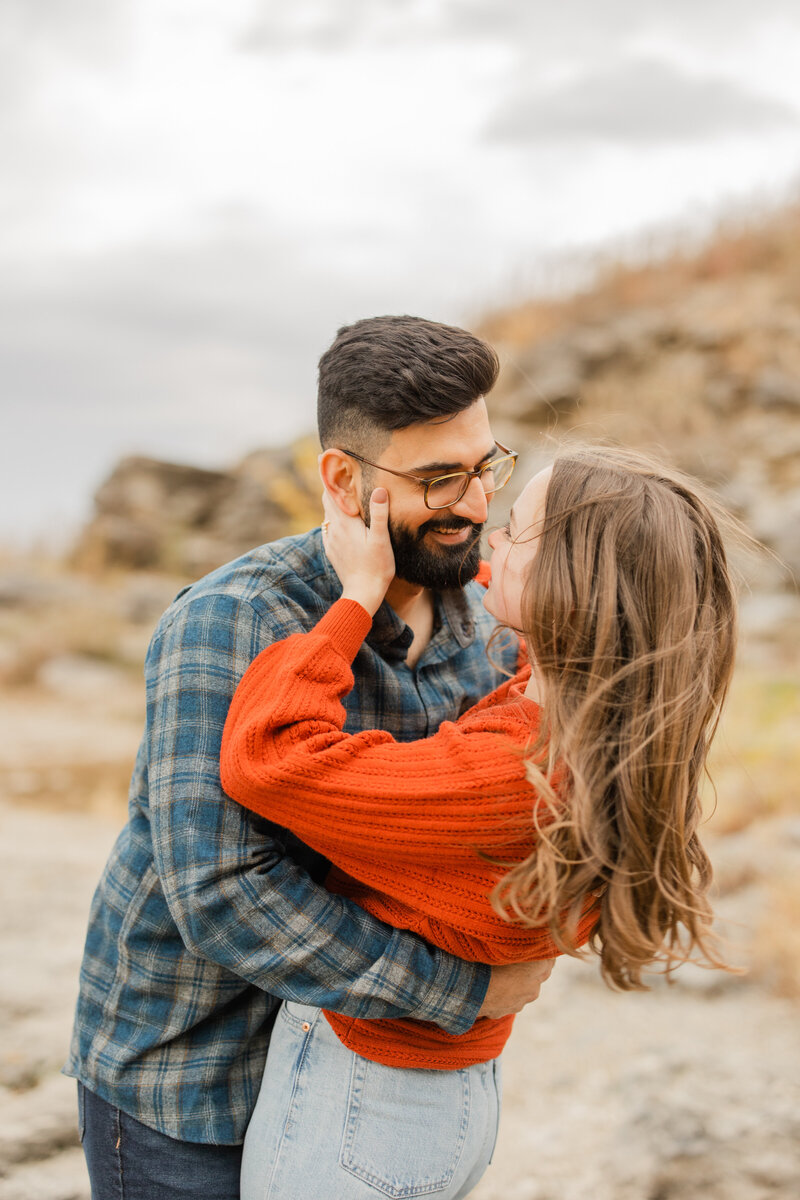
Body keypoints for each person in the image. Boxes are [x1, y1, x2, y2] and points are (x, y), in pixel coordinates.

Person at [66, 315, 555, 1199]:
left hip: (361, 1078)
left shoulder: (492, 629)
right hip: (192, 1075)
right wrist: (459, 990)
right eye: (439, 479)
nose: (479, 505)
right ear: (342, 479)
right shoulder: (235, 619)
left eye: (486, 467)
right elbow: (220, 890)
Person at [220, 445, 738, 1200]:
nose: (488, 535)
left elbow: (269, 758)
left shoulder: (506, 776)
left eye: (515, 531)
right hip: (433, 1097)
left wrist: (359, 595)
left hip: (365, 1105)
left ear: (568, 585)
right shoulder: (603, 731)